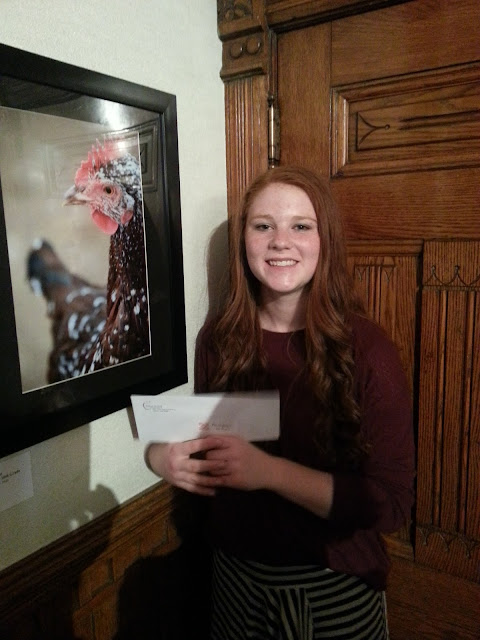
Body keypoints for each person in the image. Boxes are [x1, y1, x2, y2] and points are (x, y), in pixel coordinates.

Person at [146, 166, 415, 640]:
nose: (280, 241)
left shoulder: (368, 349)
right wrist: (159, 456)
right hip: (234, 583)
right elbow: (203, 438)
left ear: (324, 240)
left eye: (301, 226)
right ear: (244, 240)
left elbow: (391, 505)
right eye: (263, 225)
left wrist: (268, 473)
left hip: (334, 587)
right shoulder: (219, 339)